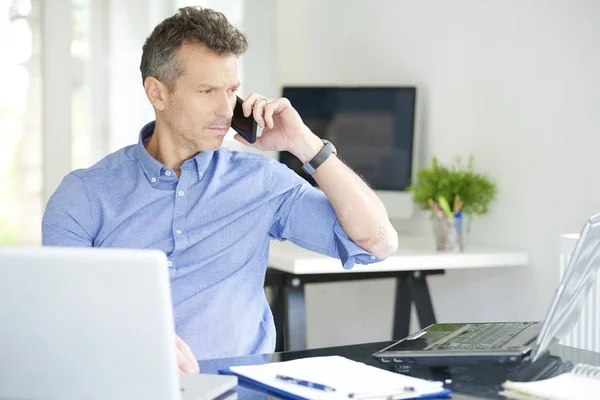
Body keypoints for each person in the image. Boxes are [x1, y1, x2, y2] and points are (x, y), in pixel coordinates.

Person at [42, 6, 398, 373]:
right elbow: (59, 320)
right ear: (157, 93)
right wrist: (131, 337)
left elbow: (377, 243)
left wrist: (304, 143)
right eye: (207, 90)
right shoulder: (83, 195)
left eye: (231, 90)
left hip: (241, 391)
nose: (225, 110)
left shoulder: (262, 181)